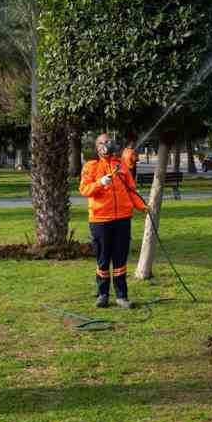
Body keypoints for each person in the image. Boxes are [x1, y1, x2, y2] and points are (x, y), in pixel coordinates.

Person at [79, 132, 150, 310]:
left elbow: (131, 190)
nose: (108, 144)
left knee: (120, 260)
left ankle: (121, 296)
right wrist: (100, 183)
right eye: (104, 142)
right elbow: (84, 189)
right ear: (97, 147)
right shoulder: (91, 166)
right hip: (100, 220)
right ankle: (103, 294)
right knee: (103, 259)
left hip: (122, 219)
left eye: (109, 141)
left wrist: (143, 207)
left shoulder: (120, 165)